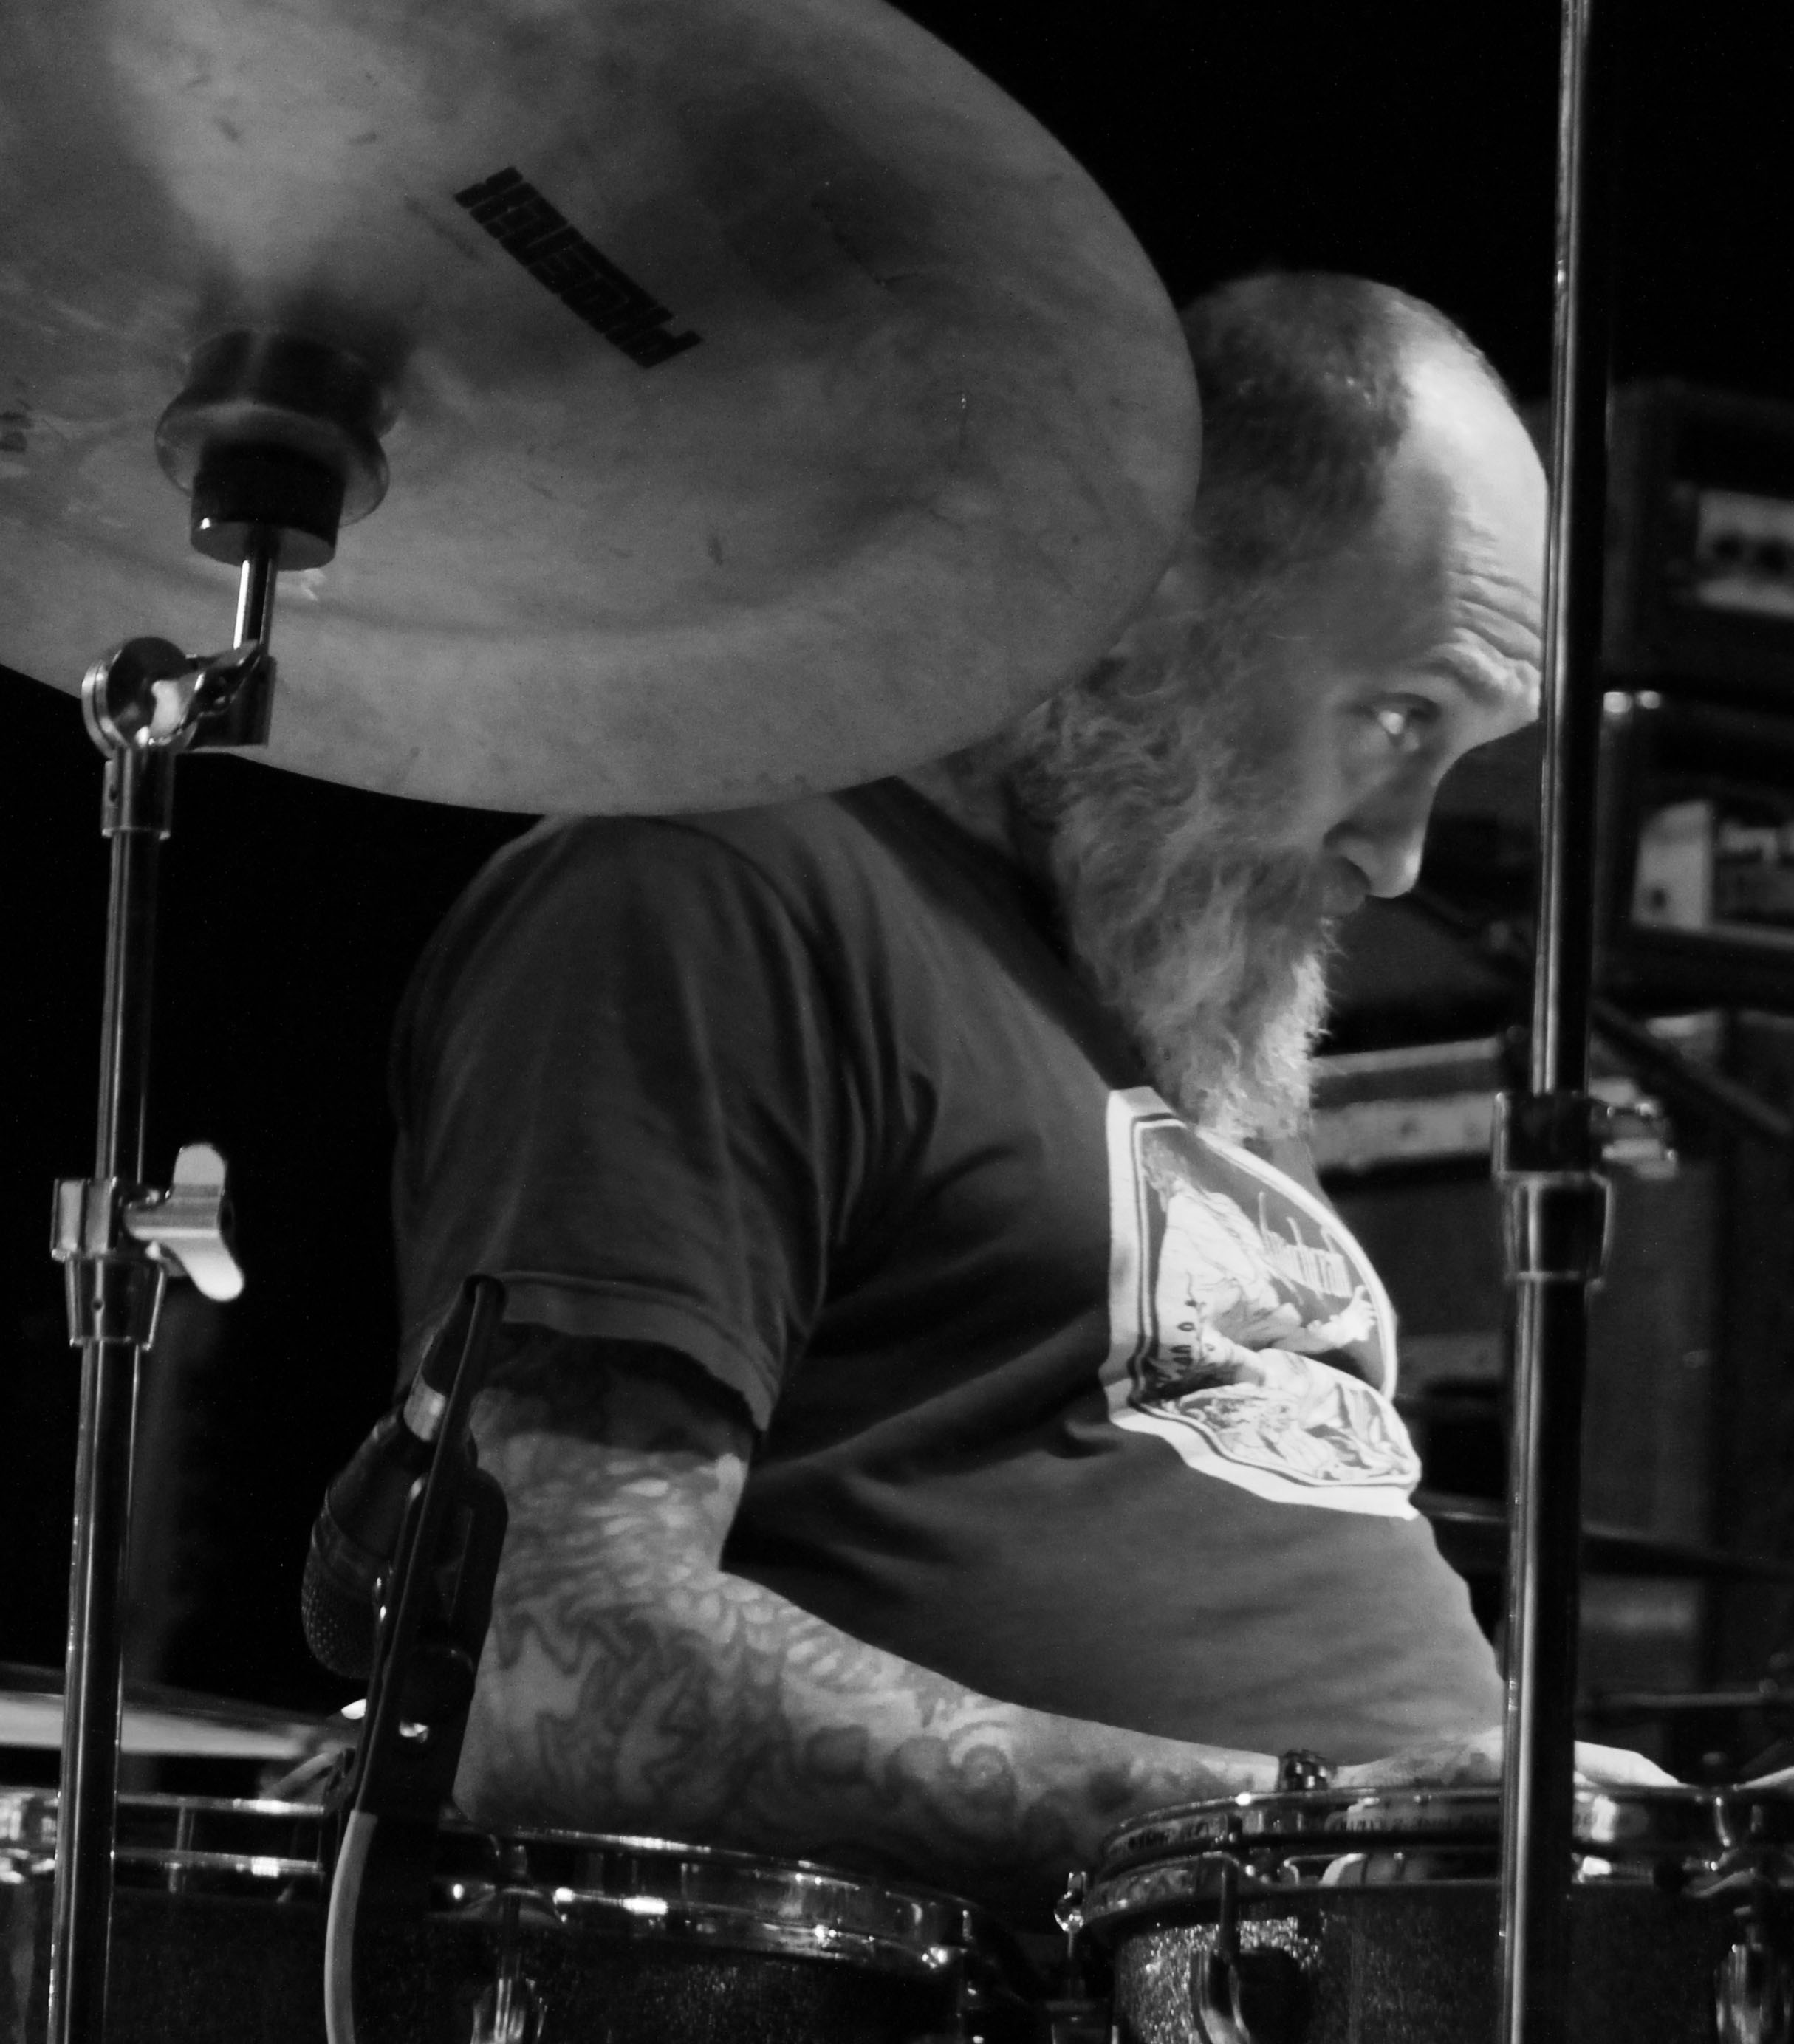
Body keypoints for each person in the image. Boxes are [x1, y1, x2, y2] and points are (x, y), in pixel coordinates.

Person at [382, 271, 1664, 1917]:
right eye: (1396, 716)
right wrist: (1300, 1825)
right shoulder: (717, 892)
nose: (1403, 852)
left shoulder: (1160, 1000)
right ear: (1142, 588)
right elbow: (554, 1674)